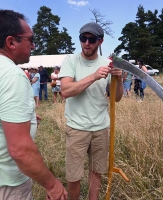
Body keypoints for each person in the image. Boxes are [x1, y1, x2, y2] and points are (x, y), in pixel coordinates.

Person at [0, 9, 67, 200]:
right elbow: (20, 150)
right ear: (11, 42)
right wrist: (53, 185)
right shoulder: (10, 74)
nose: (33, 46)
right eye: (30, 40)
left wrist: (24, 119)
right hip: (2, 181)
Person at [59, 22, 123, 200]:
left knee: (97, 171)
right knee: (74, 175)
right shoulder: (70, 61)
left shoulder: (107, 64)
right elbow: (66, 91)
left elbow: (116, 98)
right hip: (77, 127)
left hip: (100, 127)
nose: (87, 43)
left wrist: (119, 79)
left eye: (91, 39)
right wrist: (94, 76)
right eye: (83, 38)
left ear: (100, 42)